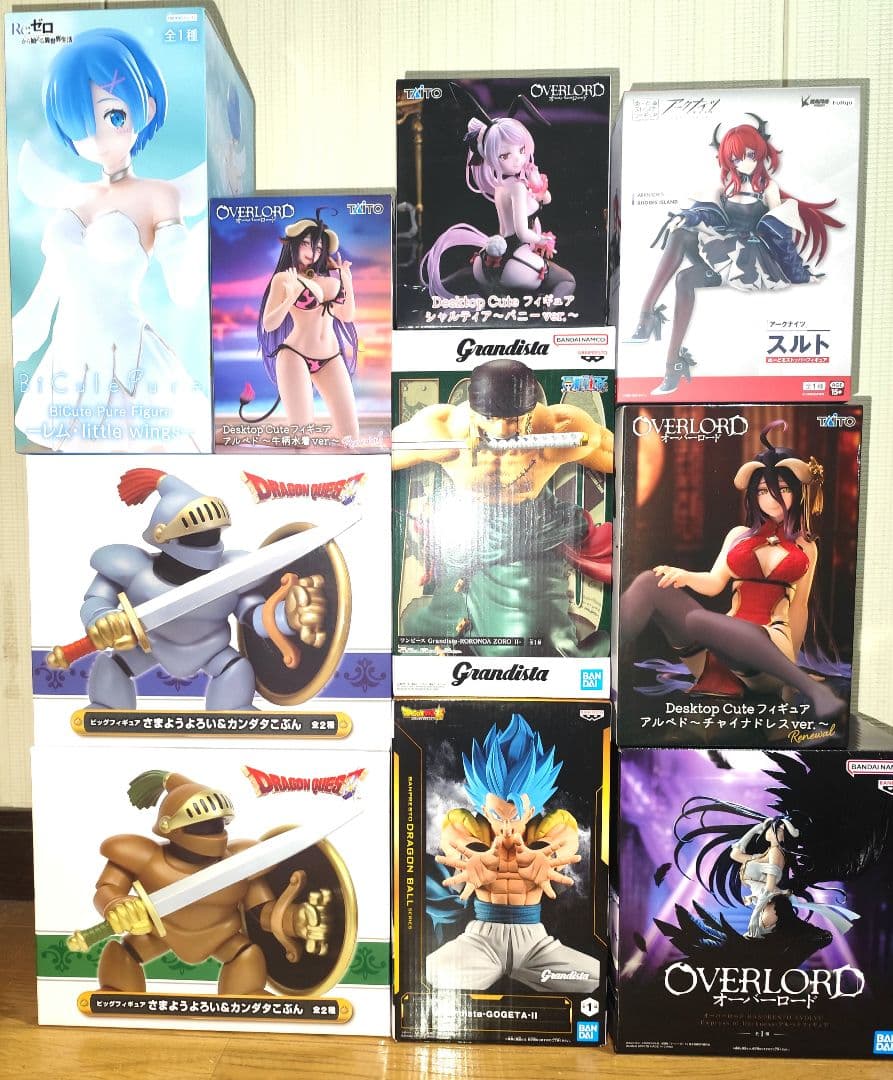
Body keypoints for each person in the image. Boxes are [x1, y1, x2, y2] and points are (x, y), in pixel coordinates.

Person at [12, 28, 209, 451]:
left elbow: (182, 288)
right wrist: (25, 329)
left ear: (146, 107)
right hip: (68, 358)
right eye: (80, 124)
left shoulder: (157, 195)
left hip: (127, 355)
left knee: (147, 463)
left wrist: (200, 244)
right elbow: (52, 282)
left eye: (114, 116)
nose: (98, 138)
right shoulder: (75, 197)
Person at [620, 420, 845, 722]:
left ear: (797, 491)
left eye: (782, 489)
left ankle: (812, 689)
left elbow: (799, 608)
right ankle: (605, 657)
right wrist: (683, 576)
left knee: (701, 621)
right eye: (763, 491)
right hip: (719, 647)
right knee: (651, 582)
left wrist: (789, 672)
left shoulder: (806, 546)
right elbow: (715, 583)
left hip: (768, 657)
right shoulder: (739, 535)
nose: (771, 499)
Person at [392, 357, 613, 656]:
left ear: (530, 410)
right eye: (491, 418)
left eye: (513, 419)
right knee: (428, 630)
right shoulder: (443, 432)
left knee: (525, 644)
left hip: (530, 534)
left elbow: (622, 456)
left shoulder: (557, 429)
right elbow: (378, 456)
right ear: (474, 410)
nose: (503, 429)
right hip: (467, 536)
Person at [55, 468, 327, 710]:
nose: (207, 540)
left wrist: (285, 616)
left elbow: (255, 615)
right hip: (149, 644)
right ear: (162, 535)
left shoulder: (234, 572)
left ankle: (232, 715)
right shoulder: (131, 568)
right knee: (111, 667)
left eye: (212, 533)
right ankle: (107, 711)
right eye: (198, 536)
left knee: (236, 670)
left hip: (210, 648)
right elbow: (95, 599)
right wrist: (101, 617)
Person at [629, 115, 842, 394]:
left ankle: (671, 365)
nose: (745, 163)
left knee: (683, 279)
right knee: (679, 233)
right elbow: (707, 213)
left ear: (761, 153)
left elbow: (779, 233)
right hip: (719, 252)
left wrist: (799, 274)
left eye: (750, 155)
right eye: (737, 157)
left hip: (749, 262)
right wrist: (685, 218)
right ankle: (646, 316)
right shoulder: (725, 186)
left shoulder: (768, 188)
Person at [86, 769, 331, 994]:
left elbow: (262, 912)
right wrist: (116, 905)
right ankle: (117, 993)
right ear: (169, 827)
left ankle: (244, 997)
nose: (212, 831)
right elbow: (107, 888)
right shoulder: (145, 858)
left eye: (217, 824)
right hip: (160, 932)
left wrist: (293, 918)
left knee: (248, 956)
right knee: (122, 955)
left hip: (221, 934)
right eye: (203, 826)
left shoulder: (242, 861)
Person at [426, 713, 600, 993]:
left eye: (516, 814)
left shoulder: (544, 830)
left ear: (531, 810)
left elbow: (565, 833)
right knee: (432, 971)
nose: (507, 826)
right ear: (483, 808)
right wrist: (470, 858)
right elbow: (453, 833)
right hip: (480, 941)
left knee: (593, 977)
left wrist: (545, 857)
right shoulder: (472, 827)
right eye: (497, 814)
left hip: (536, 943)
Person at [421, 102, 575, 301]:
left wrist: (536, 182)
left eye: (521, 150)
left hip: (492, 258)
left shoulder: (502, 186)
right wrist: (542, 240)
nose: (518, 159)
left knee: (474, 275)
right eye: (505, 155)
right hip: (517, 257)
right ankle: (545, 311)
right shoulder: (517, 188)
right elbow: (522, 232)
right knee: (567, 281)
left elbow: (546, 198)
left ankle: (440, 288)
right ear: (491, 159)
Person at [246, 212, 359, 443]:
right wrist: (290, 298)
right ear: (295, 244)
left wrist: (346, 278)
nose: (312, 251)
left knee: (349, 437)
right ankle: (240, 436)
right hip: (295, 355)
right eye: (306, 244)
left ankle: (306, 438)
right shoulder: (284, 279)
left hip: (331, 357)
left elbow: (346, 315)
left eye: (318, 247)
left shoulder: (331, 281)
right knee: (300, 437)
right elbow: (269, 323)